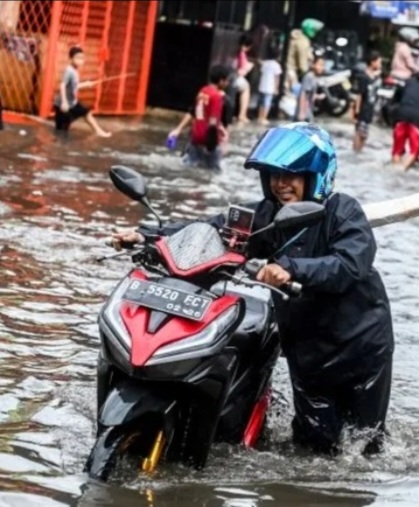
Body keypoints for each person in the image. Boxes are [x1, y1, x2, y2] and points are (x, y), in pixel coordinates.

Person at [111, 122, 394, 456]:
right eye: (273, 175)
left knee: (364, 448)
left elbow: (349, 264)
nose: (280, 184)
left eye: (290, 175)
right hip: (307, 351)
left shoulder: (343, 211)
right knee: (313, 446)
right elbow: (211, 230)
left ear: (315, 176)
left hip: (358, 348)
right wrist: (148, 237)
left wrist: (289, 268)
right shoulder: (264, 215)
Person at [53, 46, 111, 137]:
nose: (81, 60)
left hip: (72, 103)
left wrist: (86, 84)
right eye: (78, 58)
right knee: (61, 130)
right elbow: (63, 85)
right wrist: (64, 102)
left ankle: (98, 131)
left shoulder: (75, 71)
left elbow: (73, 87)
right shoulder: (69, 71)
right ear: (71, 59)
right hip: (62, 104)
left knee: (86, 113)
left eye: (82, 58)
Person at [183, 65, 231, 171]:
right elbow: (213, 122)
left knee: (190, 166)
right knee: (214, 172)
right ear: (221, 81)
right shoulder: (217, 97)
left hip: (195, 137)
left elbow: (197, 114)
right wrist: (219, 143)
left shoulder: (203, 91)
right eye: (227, 80)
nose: (228, 83)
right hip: (208, 139)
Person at [353, 51, 382, 152]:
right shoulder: (364, 77)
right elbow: (359, 95)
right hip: (363, 110)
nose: (380, 65)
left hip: (369, 110)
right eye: (379, 62)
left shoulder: (374, 77)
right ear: (372, 62)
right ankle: (355, 152)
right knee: (359, 133)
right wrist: (356, 111)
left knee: (364, 135)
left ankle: (358, 153)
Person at [286, 18, 323, 90]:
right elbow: (302, 64)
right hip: (291, 71)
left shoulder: (299, 38)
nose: (315, 32)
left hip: (290, 70)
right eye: (314, 30)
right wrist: (310, 72)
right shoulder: (302, 41)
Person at [257, 46, 283, 126]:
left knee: (261, 103)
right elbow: (277, 78)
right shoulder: (276, 65)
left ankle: (259, 117)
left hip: (262, 85)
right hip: (270, 87)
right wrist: (276, 88)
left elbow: (261, 72)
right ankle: (264, 118)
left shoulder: (265, 63)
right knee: (267, 103)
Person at [295, 56, 324, 122]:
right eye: (320, 65)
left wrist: (318, 96)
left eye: (323, 65)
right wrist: (302, 113)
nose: (321, 68)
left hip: (308, 111)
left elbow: (310, 94)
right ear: (313, 65)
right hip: (305, 113)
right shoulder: (309, 76)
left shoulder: (314, 77)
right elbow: (303, 94)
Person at [233, 33, 254, 124]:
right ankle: (242, 114)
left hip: (233, 76)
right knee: (246, 87)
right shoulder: (242, 53)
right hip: (236, 77)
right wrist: (249, 66)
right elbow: (241, 71)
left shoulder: (237, 51)